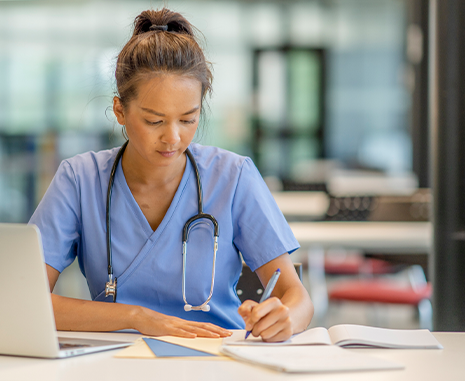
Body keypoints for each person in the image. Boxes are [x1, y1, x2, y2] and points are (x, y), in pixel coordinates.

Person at [29, 8, 313, 341]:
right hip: (113, 359)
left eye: (188, 119)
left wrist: (284, 318)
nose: (173, 138)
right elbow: (27, 301)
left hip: (217, 356)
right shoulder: (79, 180)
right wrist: (137, 317)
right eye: (154, 121)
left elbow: (297, 298)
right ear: (120, 110)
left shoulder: (233, 176)